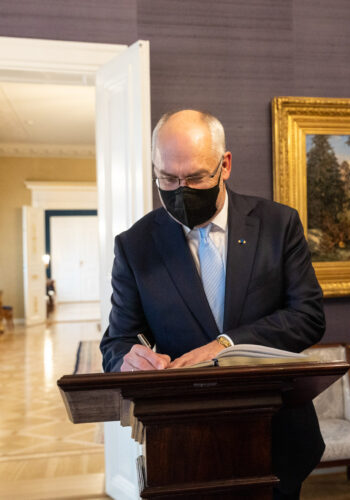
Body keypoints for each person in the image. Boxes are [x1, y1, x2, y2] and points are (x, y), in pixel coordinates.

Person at [99, 109, 326, 499]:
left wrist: (227, 344)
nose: (181, 189)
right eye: (168, 178)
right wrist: (128, 358)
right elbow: (117, 341)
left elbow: (308, 316)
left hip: (277, 433)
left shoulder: (278, 224)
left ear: (225, 165)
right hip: (180, 444)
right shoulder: (135, 246)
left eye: (196, 177)